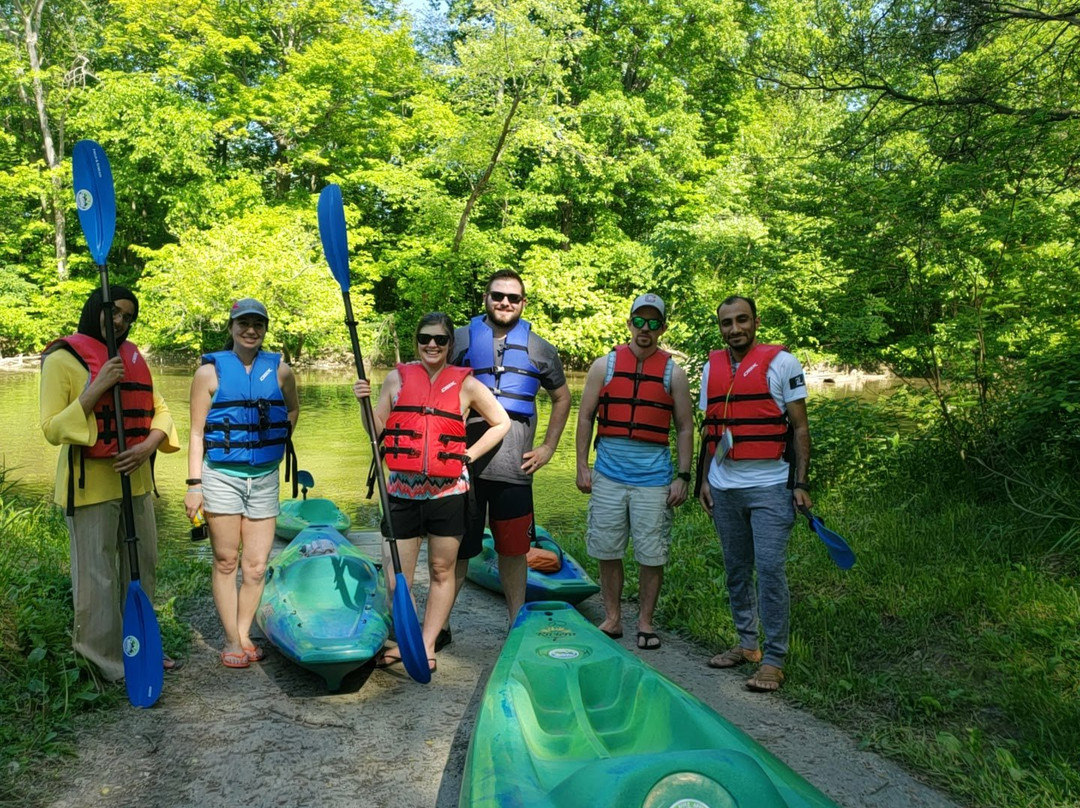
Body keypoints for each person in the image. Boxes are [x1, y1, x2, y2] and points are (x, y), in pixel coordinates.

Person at [40, 286, 182, 681]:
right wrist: (98, 385)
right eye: (115, 312)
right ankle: (102, 660)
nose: (121, 322)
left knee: (142, 567)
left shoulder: (133, 355)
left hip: (135, 480)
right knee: (96, 575)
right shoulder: (62, 359)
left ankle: (140, 645)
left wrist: (149, 444)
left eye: (129, 317)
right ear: (96, 309)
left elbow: (161, 409)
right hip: (89, 487)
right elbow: (52, 428)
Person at [353, 313, 510, 672]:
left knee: (442, 571)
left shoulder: (466, 385)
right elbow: (376, 431)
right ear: (416, 341)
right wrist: (363, 402)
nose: (432, 345)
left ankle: (425, 645)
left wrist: (469, 454)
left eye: (440, 340)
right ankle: (405, 642)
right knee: (396, 579)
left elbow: (501, 422)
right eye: (426, 338)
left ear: (450, 345)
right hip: (402, 492)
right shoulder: (395, 379)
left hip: (449, 493)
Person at [699, 295, 812, 693]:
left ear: (755, 322)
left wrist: (801, 484)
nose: (735, 329)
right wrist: (704, 479)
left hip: (770, 487)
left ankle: (775, 659)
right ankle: (748, 646)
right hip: (725, 487)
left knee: (768, 570)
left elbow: (799, 429)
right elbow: (710, 430)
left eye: (742, 320)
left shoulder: (783, 363)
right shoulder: (709, 367)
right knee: (735, 569)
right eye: (727, 323)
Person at [451, 270, 571, 626]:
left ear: (523, 303)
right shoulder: (457, 341)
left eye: (512, 298)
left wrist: (549, 447)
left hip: (514, 469)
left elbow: (562, 398)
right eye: (497, 295)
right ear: (485, 298)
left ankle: (516, 623)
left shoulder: (540, 349)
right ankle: (441, 626)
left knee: (514, 551)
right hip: (462, 467)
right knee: (457, 549)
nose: (504, 302)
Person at [185, 299, 300, 669]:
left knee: (254, 566)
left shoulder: (281, 372)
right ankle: (232, 639)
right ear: (231, 327)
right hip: (221, 476)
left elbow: (293, 408)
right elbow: (196, 432)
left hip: (264, 477)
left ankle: (245, 631)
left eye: (258, 324)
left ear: (265, 329)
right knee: (225, 560)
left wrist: (279, 438)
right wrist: (194, 485)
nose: (251, 330)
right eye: (243, 323)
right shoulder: (209, 374)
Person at [575, 293, 694, 650]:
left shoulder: (674, 372)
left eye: (653, 323)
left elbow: (685, 427)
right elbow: (585, 416)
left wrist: (684, 476)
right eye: (639, 321)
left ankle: (645, 621)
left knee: (651, 553)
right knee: (607, 548)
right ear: (629, 323)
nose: (646, 329)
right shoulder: (604, 365)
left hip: (654, 478)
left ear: (662, 328)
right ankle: (612, 619)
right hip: (609, 474)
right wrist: (582, 465)